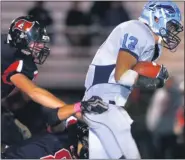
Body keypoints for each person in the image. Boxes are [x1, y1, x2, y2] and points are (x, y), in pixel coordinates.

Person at [80, 1, 183, 159]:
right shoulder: (138, 31)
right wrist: (149, 80)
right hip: (101, 102)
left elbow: (131, 71)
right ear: (156, 19)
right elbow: (121, 75)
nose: (171, 32)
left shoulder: (150, 41)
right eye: (170, 26)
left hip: (111, 103)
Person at [1, 15, 105, 146]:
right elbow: (33, 91)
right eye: (37, 42)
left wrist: (70, 111)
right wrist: (75, 108)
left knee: (20, 136)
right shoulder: (14, 59)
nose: (40, 46)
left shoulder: (13, 53)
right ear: (21, 39)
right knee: (16, 141)